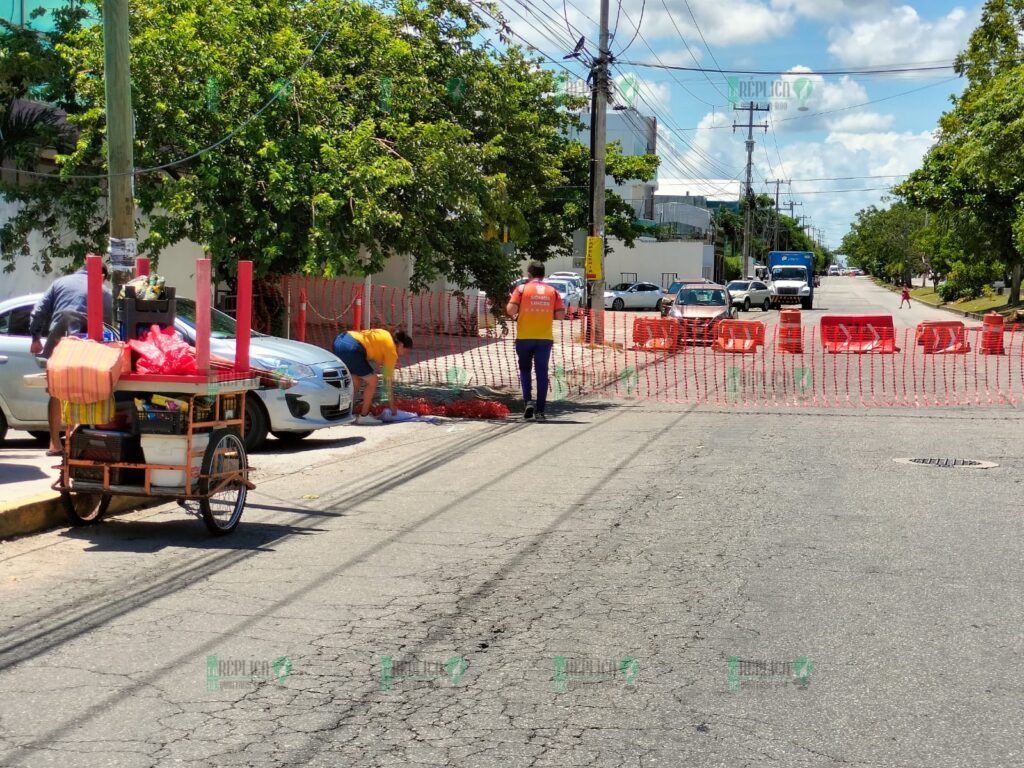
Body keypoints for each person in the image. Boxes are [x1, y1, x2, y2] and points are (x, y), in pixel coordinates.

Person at [29, 262, 113, 456]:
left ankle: (54, 443)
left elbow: (39, 311)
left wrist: (35, 338)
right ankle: (76, 440)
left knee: (56, 392)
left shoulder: (59, 283)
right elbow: (108, 325)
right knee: (85, 390)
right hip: (86, 344)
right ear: (103, 275)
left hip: (58, 340)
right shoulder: (104, 291)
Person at [506, 261, 565, 421]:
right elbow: (560, 315)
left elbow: (510, 310)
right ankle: (540, 411)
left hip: (524, 337)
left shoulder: (522, 289)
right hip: (544, 338)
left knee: (525, 371)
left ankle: (528, 402)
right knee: (542, 373)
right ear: (544, 275)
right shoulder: (553, 291)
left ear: (529, 275)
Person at [332, 328, 412, 425]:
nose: (403, 355)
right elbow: (387, 383)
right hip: (352, 348)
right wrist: (392, 407)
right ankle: (364, 416)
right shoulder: (392, 352)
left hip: (340, 340)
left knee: (356, 381)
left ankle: (344, 413)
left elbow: (376, 355)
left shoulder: (386, 334)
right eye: (405, 352)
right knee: (373, 380)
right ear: (401, 345)